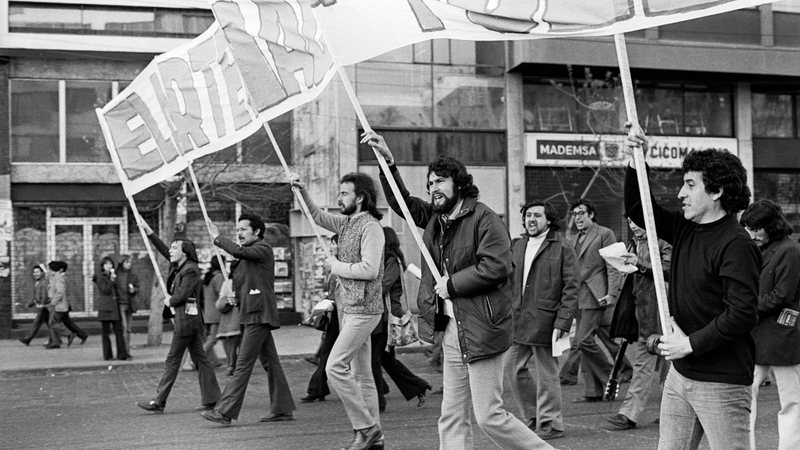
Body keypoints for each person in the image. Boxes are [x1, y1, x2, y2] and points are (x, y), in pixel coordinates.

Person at [364, 131, 551, 450]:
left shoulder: (485, 219)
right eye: (429, 183)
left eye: (439, 181)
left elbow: (497, 266)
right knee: (451, 414)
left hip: (483, 328)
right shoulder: (437, 219)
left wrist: (451, 284)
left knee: (489, 416)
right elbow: (402, 203)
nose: (432, 188)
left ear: (459, 182)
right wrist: (388, 162)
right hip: (451, 329)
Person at [626, 132, 760, 450]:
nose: (680, 193)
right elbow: (638, 208)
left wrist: (689, 344)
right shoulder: (685, 226)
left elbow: (742, 313)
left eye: (690, 184)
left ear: (716, 191)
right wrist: (635, 158)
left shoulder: (737, 244)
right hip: (681, 375)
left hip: (722, 382)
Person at [291, 171, 386, 450]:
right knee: (362, 376)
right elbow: (317, 216)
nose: (339, 197)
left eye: (344, 193)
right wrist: (302, 190)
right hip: (348, 309)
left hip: (364, 310)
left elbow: (369, 270)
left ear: (361, 197)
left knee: (334, 368)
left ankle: (365, 428)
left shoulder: (371, 227)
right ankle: (376, 437)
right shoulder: (345, 223)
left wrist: (336, 266)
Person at [201, 214, 296, 426]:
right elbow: (245, 282)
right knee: (271, 363)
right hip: (250, 313)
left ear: (257, 232)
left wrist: (217, 236)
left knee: (242, 365)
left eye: (243, 229)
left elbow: (238, 250)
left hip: (259, 314)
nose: (239, 233)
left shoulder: (262, 249)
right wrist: (235, 295)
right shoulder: (244, 259)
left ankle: (225, 411)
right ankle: (283, 408)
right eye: (238, 229)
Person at [504, 200, 578, 440]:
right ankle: (534, 416)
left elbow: (571, 286)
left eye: (536, 215)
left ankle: (551, 423)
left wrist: (563, 321)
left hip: (547, 319)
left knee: (547, 374)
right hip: (518, 318)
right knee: (513, 368)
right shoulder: (517, 245)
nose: (531, 219)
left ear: (549, 220)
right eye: (527, 215)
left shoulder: (562, 247)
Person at [135, 219, 221, 414]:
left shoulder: (190, 269)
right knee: (202, 359)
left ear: (185, 252)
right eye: (172, 248)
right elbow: (165, 251)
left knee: (173, 360)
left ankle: (159, 401)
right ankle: (213, 399)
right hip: (188, 321)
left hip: (187, 323)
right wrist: (149, 233)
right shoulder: (181, 266)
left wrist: (170, 301)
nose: (171, 251)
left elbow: (182, 295)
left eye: (175, 248)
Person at [740, 200, 800, 450]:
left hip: (779, 333)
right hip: (763, 333)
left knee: (791, 401)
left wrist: (744, 308)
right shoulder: (768, 247)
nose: (751, 235)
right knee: (744, 399)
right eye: (749, 229)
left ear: (771, 226)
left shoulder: (790, 250)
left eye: (756, 229)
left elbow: (782, 295)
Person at [606, 217, 671, 430]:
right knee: (656, 365)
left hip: (660, 314)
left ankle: (636, 414)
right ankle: (630, 414)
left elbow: (669, 271)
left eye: (637, 221)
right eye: (629, 221)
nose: (633, 225)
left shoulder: (663, 240)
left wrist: (638, 263)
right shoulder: (636, 242)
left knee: (667, 366)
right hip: (643, 314)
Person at [566, 199, 624, 402]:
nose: (577, 218)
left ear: (591, 215)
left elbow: (613, 265)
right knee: (583, 343)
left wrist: (612, 293)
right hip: (578, 297)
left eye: (581, 213)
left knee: (583, 340)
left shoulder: (605, 234)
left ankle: (610, 376)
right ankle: (593, 390)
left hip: (596, 295)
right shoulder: (572, 237)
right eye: (574, 214)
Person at [374, 226, 432, 411]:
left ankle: (378, 400)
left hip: (386, 316)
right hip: (382, 315)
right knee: (384, 358)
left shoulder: (391, 260)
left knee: (375, 359)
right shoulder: (387, 260)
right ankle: (417, 386)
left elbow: (384, 285)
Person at [302, 254, 339, 403]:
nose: (330, 249)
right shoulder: (335, 268)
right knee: (326, 352)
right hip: (336, 316)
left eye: (333, 245)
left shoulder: (342, 267)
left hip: (344, 316)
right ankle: (317, 388)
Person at [94, 256, 130, 361]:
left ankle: (122, 354)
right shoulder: (100, 276)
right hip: (106, 307)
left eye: (110, 264)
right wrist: (111, 280)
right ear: (103, 266)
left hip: (115, 307)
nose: (109, 266)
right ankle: (108, 355)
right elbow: (105, 290)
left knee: (119, 330)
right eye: (106, 264)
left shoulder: (113, 275)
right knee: (106, 332)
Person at [46, 261, 88, 349]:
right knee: (63, 322)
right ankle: (55, 341)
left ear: (53, 269)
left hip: (58, 305)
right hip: (60, 305)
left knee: (52, 323)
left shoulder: (58, 278)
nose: (48, 271)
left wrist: (53, 303)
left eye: (49, 269)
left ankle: (68, 335)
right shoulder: (55, 277)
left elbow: (60, 292)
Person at [215, 268, 241, 377]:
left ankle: (231, 365)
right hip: (236, 315)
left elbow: (220, 300)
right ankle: (237, 366)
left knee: (231, 343)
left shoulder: (227, 282)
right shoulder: (239, 282)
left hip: (229, 317)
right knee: (240, 343)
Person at [18, 264, 51, 346]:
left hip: (44, 307)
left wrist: (42, 305)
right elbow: (35, 297)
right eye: (34, 272)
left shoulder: (43, 282)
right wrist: (29, 304)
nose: (35, 274)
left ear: (42, 273)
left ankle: (28, 339)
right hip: (44, 307)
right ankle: (73, 334)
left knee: (37, 323)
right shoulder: (38, 282)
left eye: (37, 272)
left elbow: (44, 296)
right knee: (51, 324)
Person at [202, 257, 224, 366]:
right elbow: (222, 293)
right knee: (213, 339)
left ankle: (214, 361)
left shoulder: (208, 277)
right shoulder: (219, 277)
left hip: (208, 312)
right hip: (216, 312)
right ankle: (193, 359)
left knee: (210, 338)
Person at [114, 255, 139, 350]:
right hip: (120, 304)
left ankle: (127, 349)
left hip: (130, 304)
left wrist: (134, 290)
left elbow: (137, 287)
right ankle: (123, 350)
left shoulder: (132, 274)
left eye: (130, 262)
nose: (129, 264)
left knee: (128, 328)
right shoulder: (116, 274)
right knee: (123, 327)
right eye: (127, 262)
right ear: (122, 263)